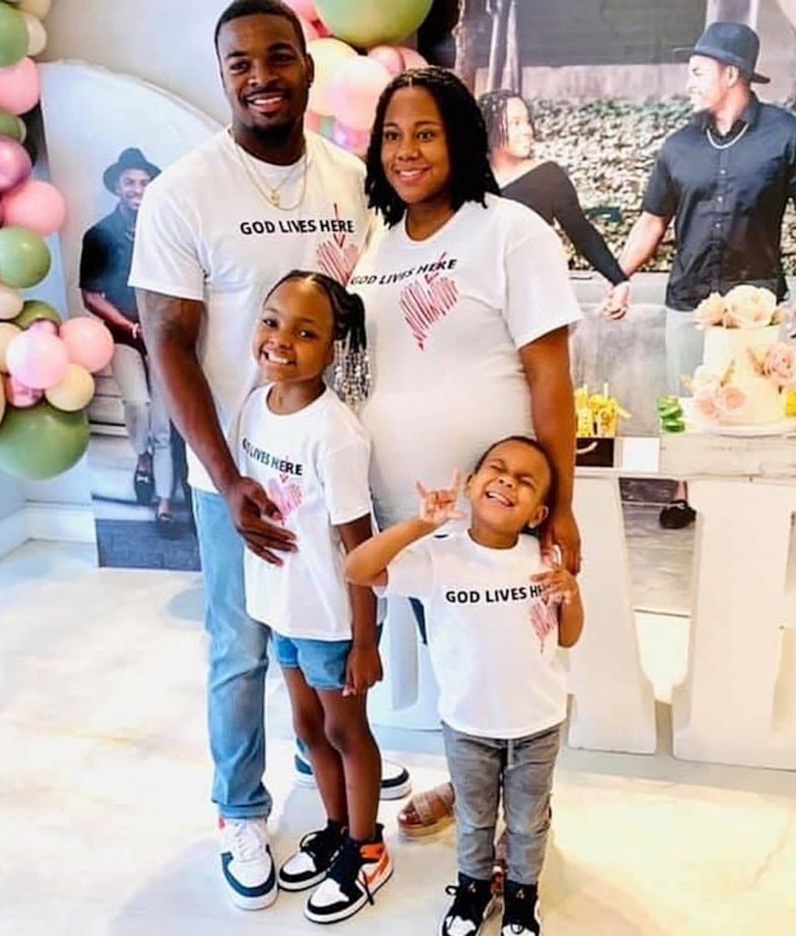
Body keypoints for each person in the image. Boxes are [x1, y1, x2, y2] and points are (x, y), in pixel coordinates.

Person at [130, 0, 407, 912]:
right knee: (239, 648)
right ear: (224, 76)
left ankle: (325, 757)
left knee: (330, 629)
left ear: (308, 65)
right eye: (241, 62)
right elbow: (166, 339)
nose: (261, 75)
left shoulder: (349, 180)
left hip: (334, 462)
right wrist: (224, 476)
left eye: (278, 56)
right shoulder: (183, 192)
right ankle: (240, 809)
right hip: (240, 475)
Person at [348, 66, 581, 838]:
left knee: (523, 660)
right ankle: (469, 785)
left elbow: (550, 375)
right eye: (391, 135)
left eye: (425, 133)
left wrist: (564, 508)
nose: (405, 151)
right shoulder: (379, 244)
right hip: (415, 514)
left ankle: (528, 815)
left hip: (498, 514)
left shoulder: (509, 232)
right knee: (462, 659)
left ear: (461, 142)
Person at [346, 436, 584, 936]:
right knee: (476, 818)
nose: (507, 482)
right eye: (497, 470)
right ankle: (473, 890)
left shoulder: (542, 557)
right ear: (473, 484)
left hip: (538, 723)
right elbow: (358, 569)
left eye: (524, 481)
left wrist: (572, 592)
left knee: (527, 821)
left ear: (539, 512)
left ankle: (523, 897)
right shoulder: (438, 557)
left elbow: (569, 634)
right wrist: (420, 524)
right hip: (467, 724)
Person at [614, 21, 796, 528]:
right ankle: (685, 495)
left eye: (696, 71)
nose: (688, 82)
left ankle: (747, 499)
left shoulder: (788, 136)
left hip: (757, 308)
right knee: (686, 403)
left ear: (731, 73)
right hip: (689, 300)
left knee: (750, 411)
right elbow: (651, 221)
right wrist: (616, 275)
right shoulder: (678, 146)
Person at [236, 270, 390, 922]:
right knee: (305, 727)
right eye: (272, 321)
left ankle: (367, 846)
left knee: (344, 729)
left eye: (306, 332)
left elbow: (361, 549)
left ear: (334, 347)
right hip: (283, 607)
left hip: (330, 617)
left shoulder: (335, 433)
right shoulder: (252, 406)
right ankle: (334, 828)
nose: (281, 340)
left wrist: (363, 640)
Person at [80, 147, 175, 531]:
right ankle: (143, 458)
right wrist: (129, 325)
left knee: (165, 424)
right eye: (129, 182)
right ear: (117, 187)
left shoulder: (168, 228)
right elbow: (91, 295)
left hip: (165, 336)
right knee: (138, 404)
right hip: (123, 334)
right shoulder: (99, 236)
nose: (137, 188)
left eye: (143, 182)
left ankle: (164, 503)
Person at [478, 90, 630, 315]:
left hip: (537, 302)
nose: (527, 131)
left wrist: (619, 281)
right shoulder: (469, 180)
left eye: (527, 121)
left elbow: (582, 233)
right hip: (483, 303)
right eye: (515, 123)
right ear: (489, 128)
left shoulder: (548, 176)